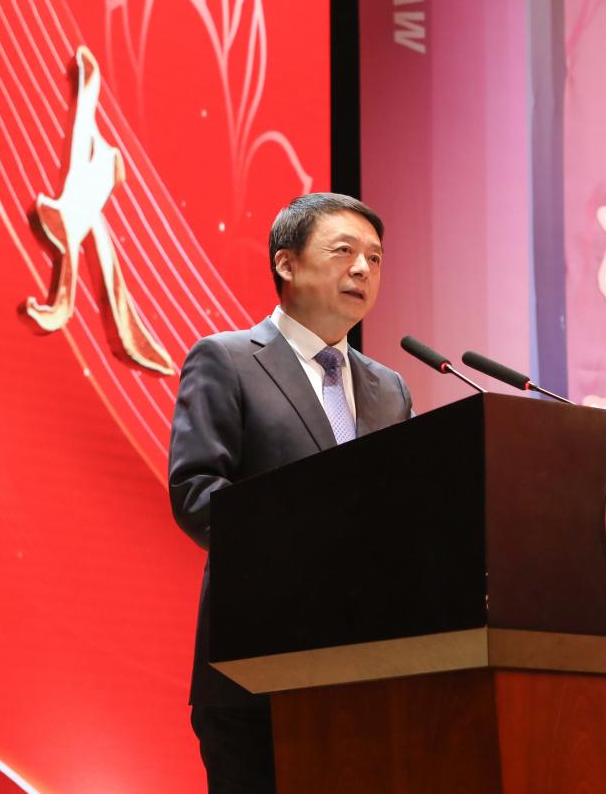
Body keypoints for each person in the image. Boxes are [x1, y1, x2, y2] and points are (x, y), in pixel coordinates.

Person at [167, 192, 413, 792]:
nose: (363, 269)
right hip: (257, 669)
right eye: (344, 251)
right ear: (286, 263)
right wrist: (310, 542)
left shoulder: (390, 389)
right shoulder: (227, 360)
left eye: (375, 258)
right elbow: (197, 494)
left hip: (371, 674)